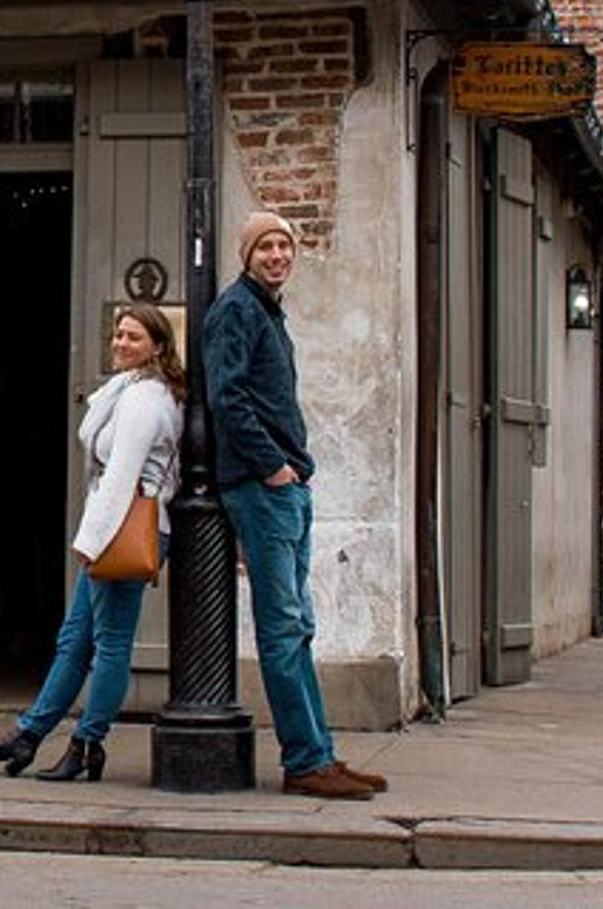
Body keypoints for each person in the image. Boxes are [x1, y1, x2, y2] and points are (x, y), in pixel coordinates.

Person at [205, 210, 388, 801]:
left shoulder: (267, 312)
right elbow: (227, 397)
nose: (278, 255)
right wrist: (272, 467)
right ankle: (305, 761)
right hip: (264, 489)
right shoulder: (236, 310)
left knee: (299, 627)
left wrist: (291, 476)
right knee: (283, 629)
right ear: (247, 255)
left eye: (285, 246)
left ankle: (319, 754)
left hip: (286, 489)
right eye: (266, 246)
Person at [0, 303, 183, 783]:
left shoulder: (145, 399)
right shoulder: (129, 389)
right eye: (119, 334)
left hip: (123, 528)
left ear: (157, 346)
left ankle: (88, 743)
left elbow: (122, 476)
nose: (121, 342)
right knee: (75, 639)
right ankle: (28, 735)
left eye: (133, 337)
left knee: (110, 643)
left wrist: (92, 542)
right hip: (115, 523)